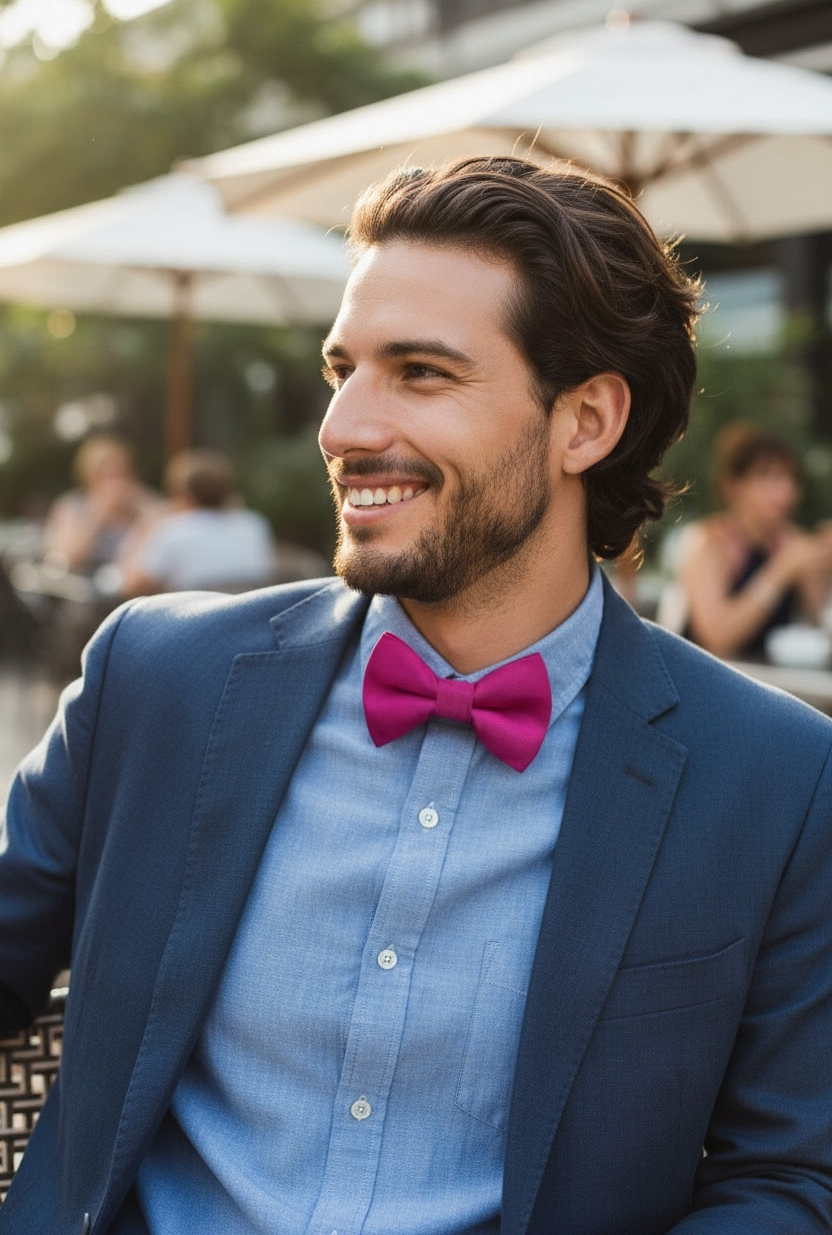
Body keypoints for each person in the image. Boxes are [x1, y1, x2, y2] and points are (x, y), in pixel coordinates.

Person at [1, 157, 832, 1235]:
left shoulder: (776, 778)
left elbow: (791, 1175)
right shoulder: (155, 680)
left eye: (420, 373)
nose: (342, 427)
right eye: (342, 367)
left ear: (585, 423)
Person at [675, 422, 832, 658]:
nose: (785, 491)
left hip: (770, 682)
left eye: (790, 478)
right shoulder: (710, 542)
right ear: (733, 486)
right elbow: (716, 638)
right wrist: (780, 572)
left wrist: (823, 569)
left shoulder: (793, 542)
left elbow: (818, 624)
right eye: (768, 476)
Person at [119, 448, 277, 596]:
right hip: (247, 619)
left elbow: (133, 586)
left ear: (183, 494)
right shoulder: (254, 524)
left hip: (194, 622)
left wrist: (145, 527)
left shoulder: (173, 530)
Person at [41, 433, 158, 578]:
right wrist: (97, 515)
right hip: (82, 593)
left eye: (122, 472)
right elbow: (62, 561)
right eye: (108, 474)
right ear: (90, 475)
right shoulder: (72, 506)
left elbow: (155, 562)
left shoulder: (145, 505)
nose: (117, 481)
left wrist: (144, 521)